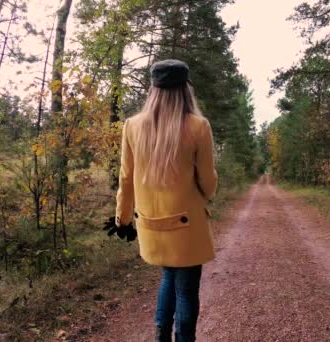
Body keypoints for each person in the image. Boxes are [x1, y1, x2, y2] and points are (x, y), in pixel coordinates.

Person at [113, 59, 218, 342]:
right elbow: (208, 186)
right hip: (186, 227)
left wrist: (122, 219)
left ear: (153, 89)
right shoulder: (198, 127)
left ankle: (161, 335)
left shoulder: (132, 126)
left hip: (150, 224)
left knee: (169, 277)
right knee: (186, 290)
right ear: (186, 89)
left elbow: (126, 178)